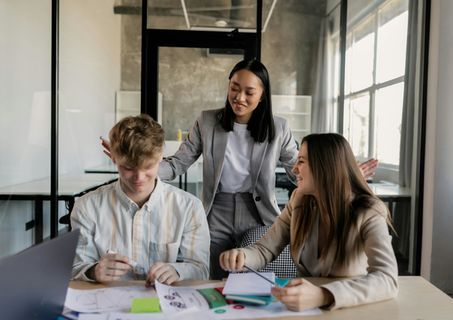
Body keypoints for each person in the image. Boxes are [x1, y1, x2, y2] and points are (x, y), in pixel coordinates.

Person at [102, 59, 378, 280]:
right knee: (212, 275)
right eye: (234, 87)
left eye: (249, 91)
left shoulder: (278, 127)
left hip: (259, 213)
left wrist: (342, 173)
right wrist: (138, 163)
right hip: (216, 209)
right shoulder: (207, 121)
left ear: (262, 95)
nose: (239, 97)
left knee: (253, 278)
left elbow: (297, 169)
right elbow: (177, 164)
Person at [219, 133, 398, 311]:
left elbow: (387, 278)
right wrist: (242, 256)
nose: (294, 168)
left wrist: (323, 295)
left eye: (301, 161)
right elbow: (266, 249)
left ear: (325, 167)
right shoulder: (299, 200)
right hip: (302, 310)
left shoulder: (369, 211)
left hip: (348, 309)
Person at [71, 114, 210, 285]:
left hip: (166, 306)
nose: (139, 177)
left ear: (160, 156)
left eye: (148, 167)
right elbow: (75, 268)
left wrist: (177, 271)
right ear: (113, 157)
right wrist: (93, 271)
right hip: (108, 306)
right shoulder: (86, 207)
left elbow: (201, 269)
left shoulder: (189, 208)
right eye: (128, 168)